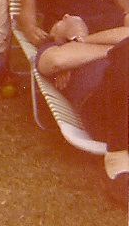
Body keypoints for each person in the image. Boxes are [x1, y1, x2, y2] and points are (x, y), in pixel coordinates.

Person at [36, 14, 129, 204]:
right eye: (61, 20)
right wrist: (116, 49)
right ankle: (117, 156)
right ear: (55, 32)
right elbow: (55, 61)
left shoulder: (91, 43)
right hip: (102, 109)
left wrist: (83, 44)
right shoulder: (54, 47)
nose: (67, 16)